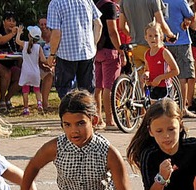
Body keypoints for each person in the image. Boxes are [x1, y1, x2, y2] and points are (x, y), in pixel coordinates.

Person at [46, 0, 103, 98]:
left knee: (66, 92)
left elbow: (56, 33)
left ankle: (69, 112)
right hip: (87, 53)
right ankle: (85, 112)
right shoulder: (86, 1)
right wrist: (93, 44)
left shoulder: (55, 3)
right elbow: (99, 24)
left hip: (66, 54)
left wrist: (52, 54)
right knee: (87, 94)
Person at [162, 0, 196, 118]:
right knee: (182, 76)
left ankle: (168, 106)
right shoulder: (179, 1)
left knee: (167, 75)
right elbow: (192, 19)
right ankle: (182, 108)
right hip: (181, 41)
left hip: (165, 41)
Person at [119, 0, 176, 72]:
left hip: (134, 47)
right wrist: (171, 35)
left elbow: (122, 26)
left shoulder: (124, 1)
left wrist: (133, 34)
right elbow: (161, 23)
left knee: (141, 78)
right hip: (150, 47)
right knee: (159, 75)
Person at [94, 0, 124, 130]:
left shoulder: (95, 4)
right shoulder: (109, 6)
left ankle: (98, 119)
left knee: (98, 87)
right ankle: (110, 120)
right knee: (109, 87)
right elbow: (112, 31)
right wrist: (120, 50)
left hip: (96, 50)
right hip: (109, 50)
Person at [0, 11, 23, 113]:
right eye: (9, 20)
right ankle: (2, 100)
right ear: (3, 22)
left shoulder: (16, 35)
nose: (11, 23)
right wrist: (12, 34)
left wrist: (19, 37)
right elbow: (0, 40)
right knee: (6, 73)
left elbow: (20, 47)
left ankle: (7, 98)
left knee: (22, 75)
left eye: (13, 21)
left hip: (11, 63)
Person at [144, 21, 181, 101]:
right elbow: (147, 69)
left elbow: (176, 71)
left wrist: (160, 78)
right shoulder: (147, 54)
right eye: (150, 36)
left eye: (156, 36)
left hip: (165, 87)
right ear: (146, 38)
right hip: (153, 87)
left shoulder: (164, 52)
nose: (153, 38)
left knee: (164, 111)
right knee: (154, 112)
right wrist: (146, 75)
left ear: (161, 36)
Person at [15, 26, 47, 116]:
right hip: (35, 72)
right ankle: (39, 103)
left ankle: (26, 108)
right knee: (37, 89)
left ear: (29, 35)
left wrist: (19, 33)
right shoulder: (39, 47)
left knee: (25, 90)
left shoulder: (24, 44)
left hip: (25, 72)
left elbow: (17, 41)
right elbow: (43, 59)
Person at [38, 17, 55, 111]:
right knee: (48, 74)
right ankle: (44, 104)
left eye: (45, 24)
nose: (43, 27)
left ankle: (45, 103)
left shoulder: (55, 38)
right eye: (41, 24)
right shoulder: (36, 38)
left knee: (50, 74)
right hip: (39, 65)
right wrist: (43, 66)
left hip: (53, 65)